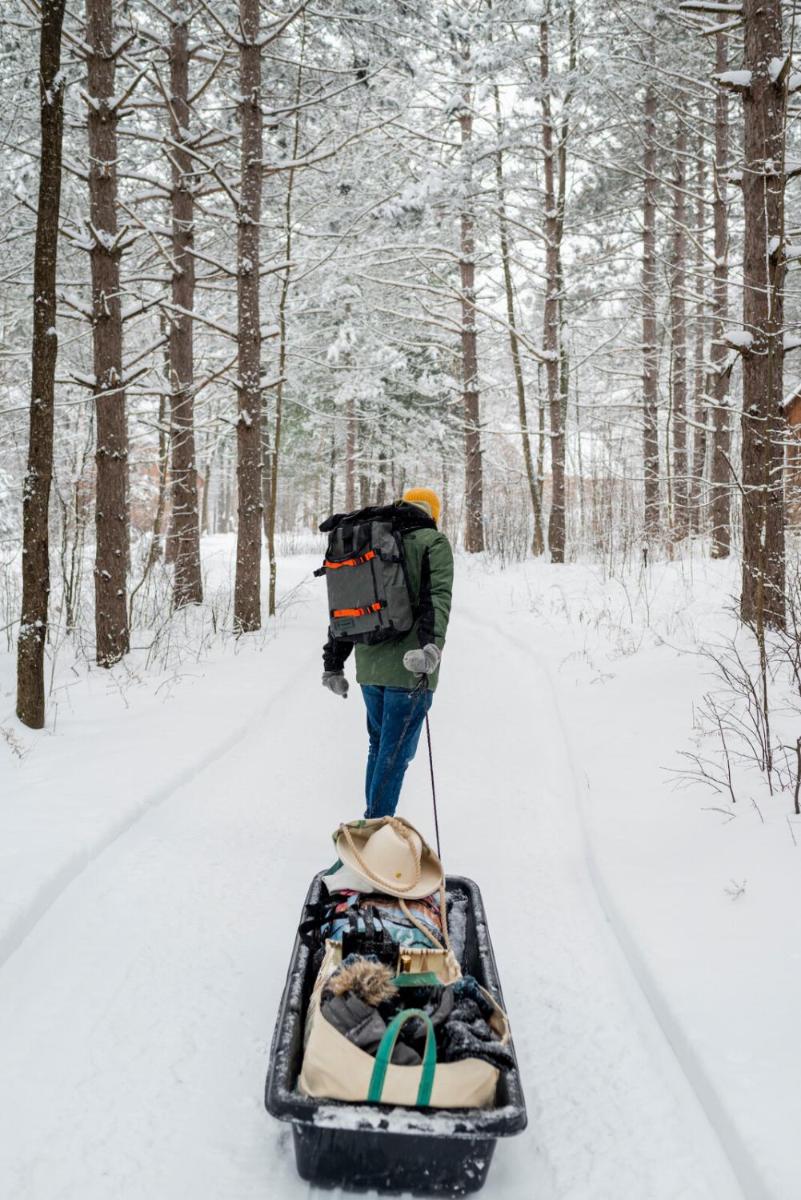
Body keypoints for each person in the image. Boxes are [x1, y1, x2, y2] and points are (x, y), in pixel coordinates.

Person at [321, 487, 454, 819]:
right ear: (433, 513)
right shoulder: (432, 542)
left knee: (379, 748)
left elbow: (346, 602)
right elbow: (437, 599)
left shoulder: (371, 538)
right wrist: (431, 649)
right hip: (409, 669)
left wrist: (333, 663)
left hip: (369, 668)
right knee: (394, 756)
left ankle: (371, 828)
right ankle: (373, 834)